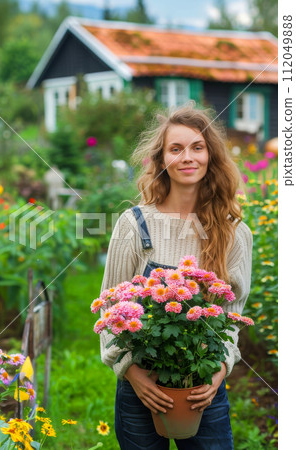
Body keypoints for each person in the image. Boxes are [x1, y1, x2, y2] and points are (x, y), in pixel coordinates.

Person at [99, 103, 253, 449]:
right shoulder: (134, 225)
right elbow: (108, 309)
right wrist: (133, 375)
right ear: (161, 159)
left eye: (197, 147)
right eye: (176, 148)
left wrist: (219, 373)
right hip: (142, 388)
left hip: (204, 389)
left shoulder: (235, 233)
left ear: (211, 156)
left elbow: (232, 317)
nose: (188, 157)